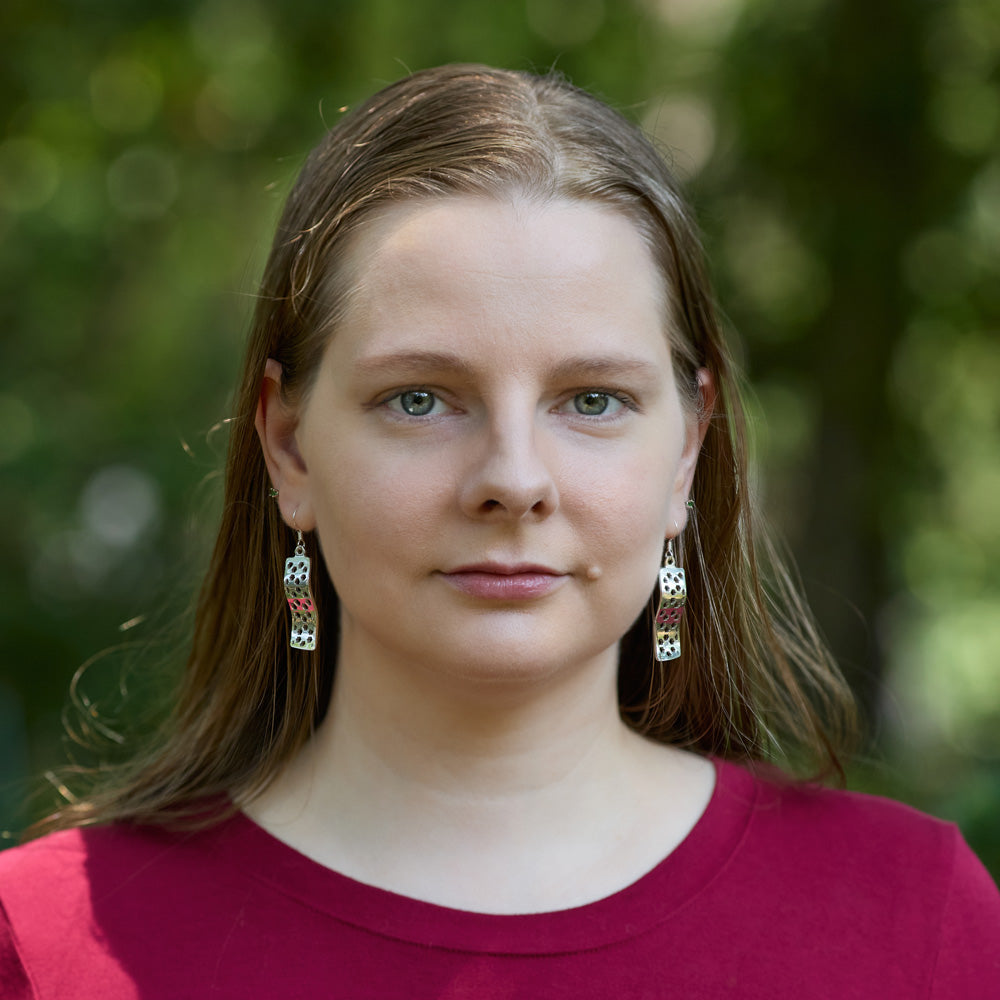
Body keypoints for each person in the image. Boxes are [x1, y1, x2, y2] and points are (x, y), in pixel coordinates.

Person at [1, 64, 997, 999]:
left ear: (686, 451)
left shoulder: (919, 928)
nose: (513, 480)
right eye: (422, 399)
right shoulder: (44, 947)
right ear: (291, 448)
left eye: (593, 399)